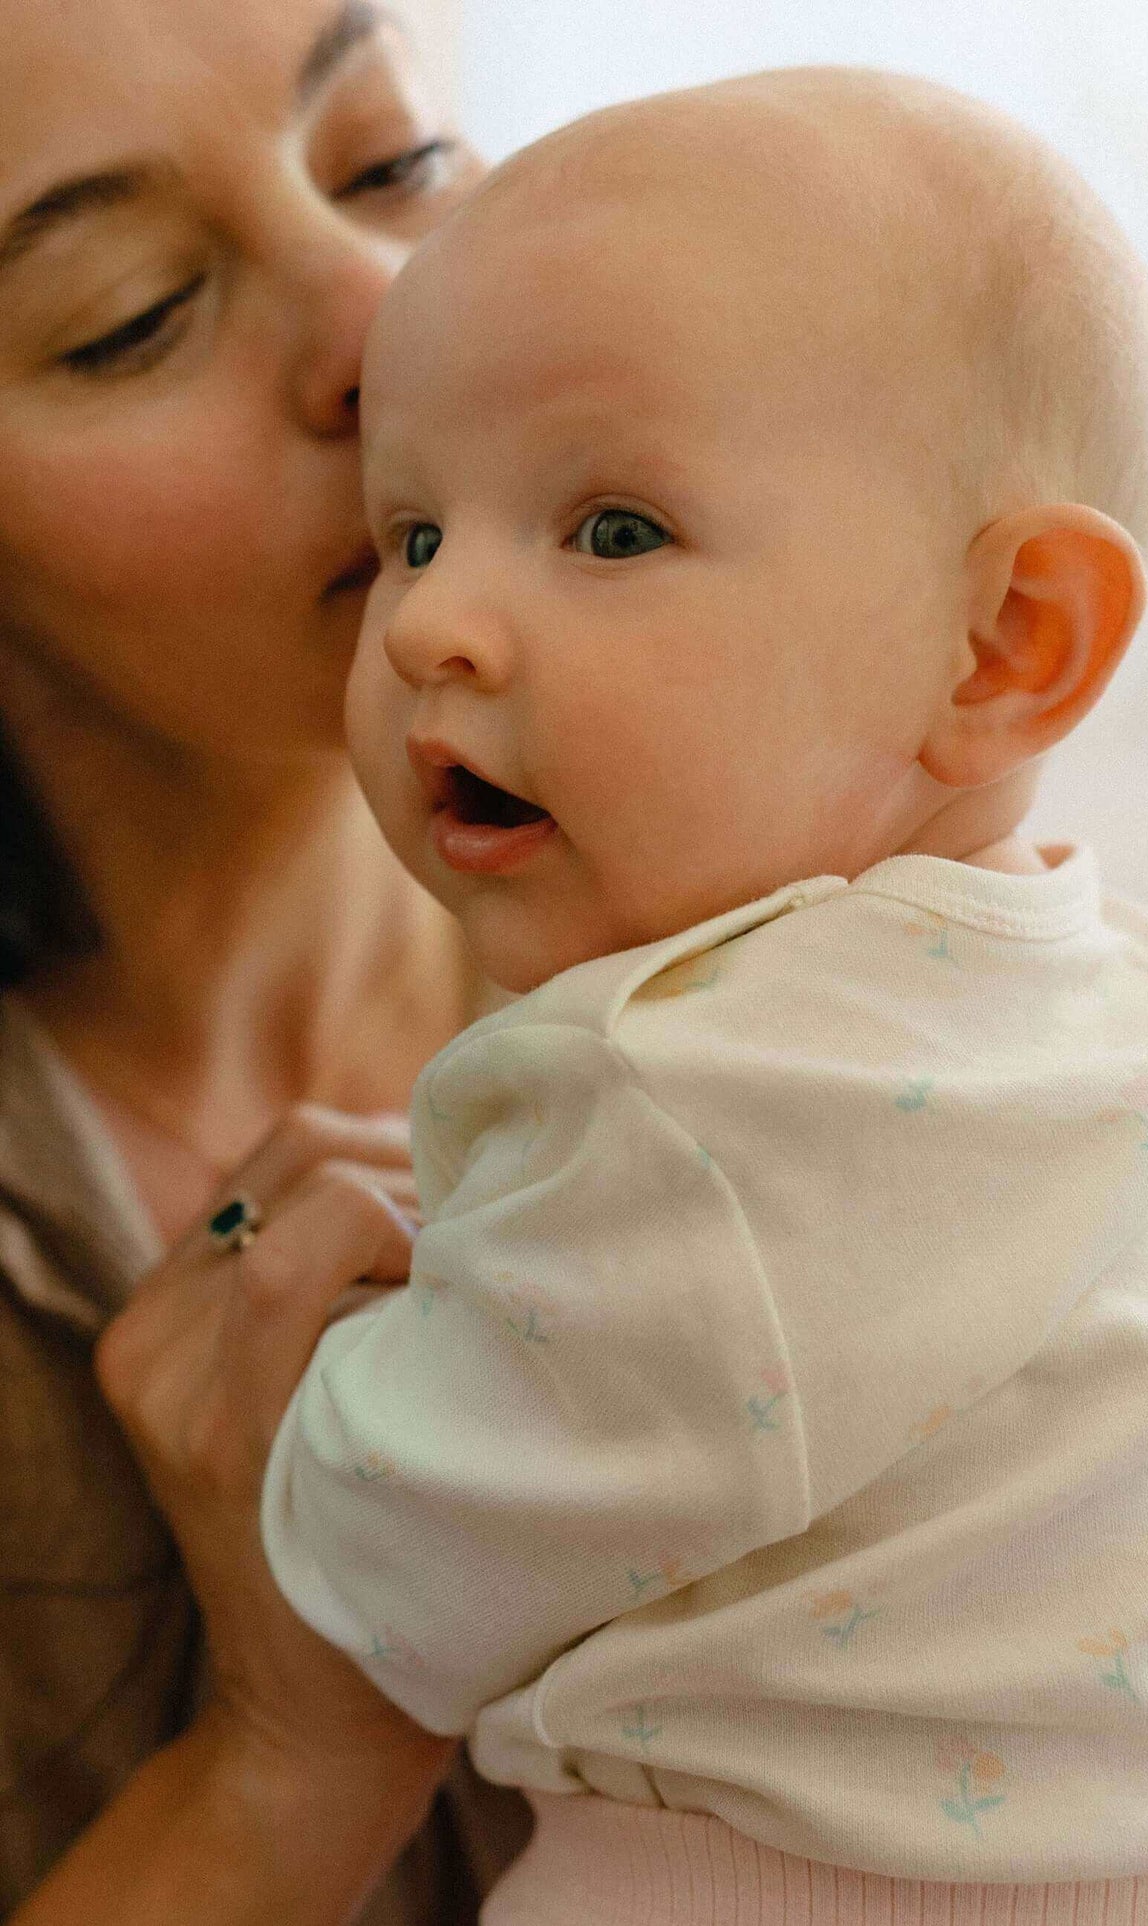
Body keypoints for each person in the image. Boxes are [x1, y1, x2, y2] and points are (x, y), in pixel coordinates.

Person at [253, 68, 1148, 1923]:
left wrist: (319, 1401)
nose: (425, 625)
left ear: (1003, 644)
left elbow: (397, 1565)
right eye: (409, 532)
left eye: (613, 529)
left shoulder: (681, 1089)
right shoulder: (1096, 983)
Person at [0, 0, 532, 1917]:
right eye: (132, 311)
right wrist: (281, 1766)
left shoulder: (829, 925)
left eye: (390, 162)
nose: (382, 318)